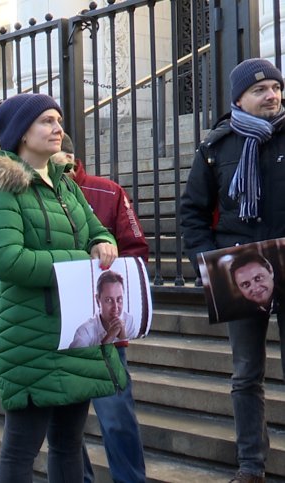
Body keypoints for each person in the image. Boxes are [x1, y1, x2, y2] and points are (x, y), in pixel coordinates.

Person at [0, 94, 127, 482]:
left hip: (75, 332)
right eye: (47, 121)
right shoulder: (1, 186)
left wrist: (104, 244)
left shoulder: (64, 184)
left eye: (59, 119)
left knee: (69, 444)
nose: (58, 129)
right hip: (31, 337)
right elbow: (6, 260)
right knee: (21, 449)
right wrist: (80, 264)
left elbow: (96, 231)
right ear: (21, 133)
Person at [180, 58, 285, 483]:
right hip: (239, 269)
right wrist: (210, 265)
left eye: (277, 88)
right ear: (238, 98)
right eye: (261, 90)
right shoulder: (215, 146)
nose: (273, 96)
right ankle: (251, 465)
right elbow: (192, 212)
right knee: (246, 374)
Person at [60, 134, 148, 483]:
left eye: (63, 155)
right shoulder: (31, 196)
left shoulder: (107, 192)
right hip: (63, 328)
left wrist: (109, 270)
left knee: (116, 417)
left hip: (107, 334)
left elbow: (135, 248)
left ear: (72, 155)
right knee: (67, 427)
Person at [70, 271, 140, 348]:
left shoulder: (129, 321)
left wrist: (123, 339)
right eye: (109, 300)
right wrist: (109, 337)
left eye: (119, 299)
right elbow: (76, 359)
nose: (115, 307)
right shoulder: (84, 332)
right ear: (97, 300)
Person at [228, 251, 281, 318]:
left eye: (258, 278)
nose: (256, 288)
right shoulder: (235, 314)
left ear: (270, 272)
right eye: (245, 284)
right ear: (238, 288)